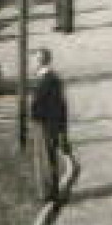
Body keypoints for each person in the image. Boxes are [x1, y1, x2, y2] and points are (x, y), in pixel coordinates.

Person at [28, 48, 72, 202]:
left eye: (34, 61)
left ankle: (50, 194)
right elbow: (61, 105)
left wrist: (35, 117)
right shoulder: (51, 78)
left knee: (45, 159)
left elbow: (49, 106)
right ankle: (50, 192)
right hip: (48, 124)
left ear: (40, 62)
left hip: (45, 125)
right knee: (47, 159)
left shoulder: (47, 80)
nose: (32, 64)